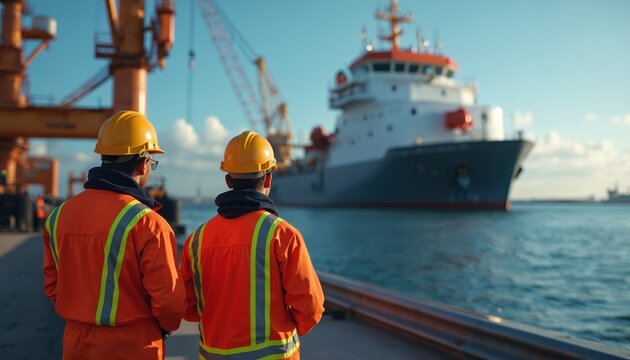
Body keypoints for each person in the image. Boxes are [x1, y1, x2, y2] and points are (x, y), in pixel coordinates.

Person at [42, 110, 185, 359]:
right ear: (143, 163)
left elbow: (53, 286)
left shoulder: (58, 215)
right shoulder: (149, 223)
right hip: (133, 346)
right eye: (152, 161)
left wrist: (83, 314)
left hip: (76, 343)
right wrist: (163, 326)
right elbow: (168, 303)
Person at [180, 130, 325, 359]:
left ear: (228, 180)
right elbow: (310, 308)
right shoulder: (282, 235)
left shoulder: (196, 240)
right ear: (268, 179)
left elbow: (188, 308)